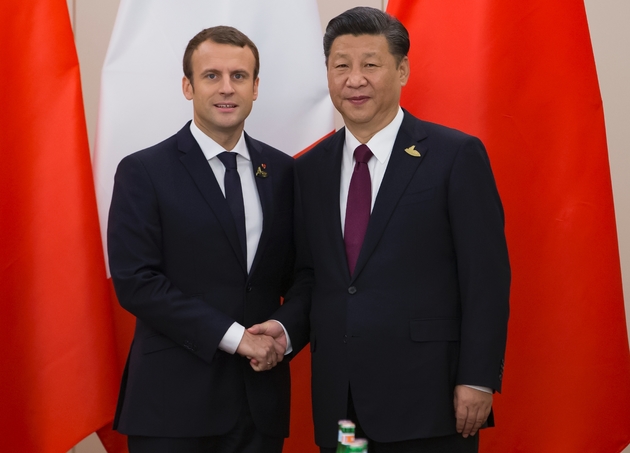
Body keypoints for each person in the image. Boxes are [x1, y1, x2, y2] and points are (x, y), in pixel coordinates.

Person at [250, 7, 510, 453]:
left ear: (402, 69)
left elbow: (485, 277)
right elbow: (313, 276)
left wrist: (477, 377)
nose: (355, 79)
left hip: (431, 399)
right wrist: (285, 328)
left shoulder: (454, 156)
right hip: (343, 405)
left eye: (370, 64)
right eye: (341, 66)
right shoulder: (309, 170)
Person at [107, 26, 295, 453]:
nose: (226, 88)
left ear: (256, 87)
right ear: (188, 87)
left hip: (259, 404)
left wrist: (284, 330)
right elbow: (136, 281)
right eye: (211, 76)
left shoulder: (283, 173)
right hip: (172, 407)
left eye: (239, 76)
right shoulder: (144, 171)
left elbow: (303, 273)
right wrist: (235, 337)